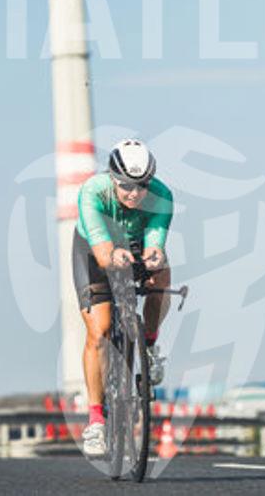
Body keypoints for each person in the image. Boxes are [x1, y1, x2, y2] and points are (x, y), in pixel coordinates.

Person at [72, 138, 174, 458]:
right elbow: (103, 254)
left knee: (161, 279)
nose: (134, 193)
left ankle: (150, 345)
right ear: (113, 179)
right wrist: (113, 257)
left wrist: (154, 257)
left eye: (142, 186)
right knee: (100, 330)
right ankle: (96, 420)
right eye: (126, 186)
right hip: (93, 251)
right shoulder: (93, 192)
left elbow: (155, 242)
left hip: (134, 244)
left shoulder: (162, 196)